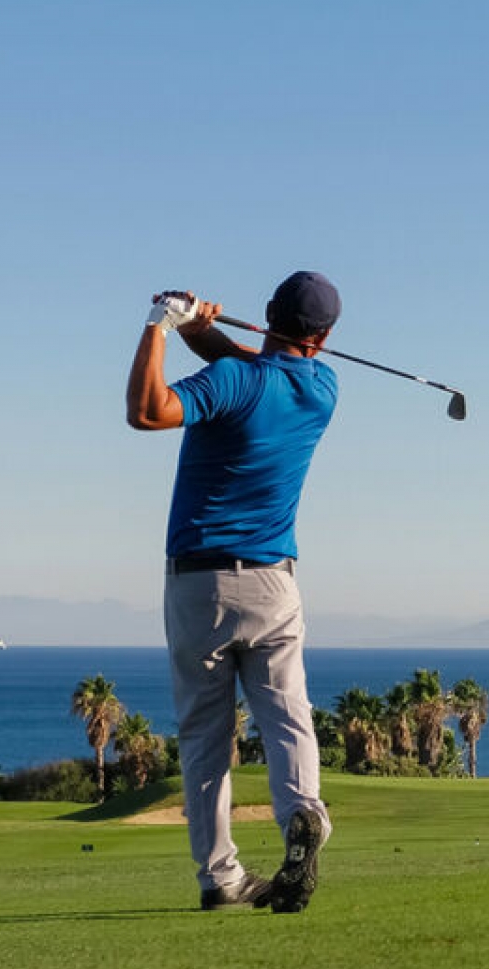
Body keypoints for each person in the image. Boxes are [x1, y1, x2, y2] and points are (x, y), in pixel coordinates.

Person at [127, 271, 341, 913]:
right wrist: (199, 330)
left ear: (269, 312)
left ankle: (221, 877)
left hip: (201, 583)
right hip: (275, 583)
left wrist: (159, 327)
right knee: (287, 715)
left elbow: (147, 411)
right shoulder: (322, 388)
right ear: (324, 338)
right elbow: (261, 368)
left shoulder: (230, 381)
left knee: (205, 737)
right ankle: (304, 813)